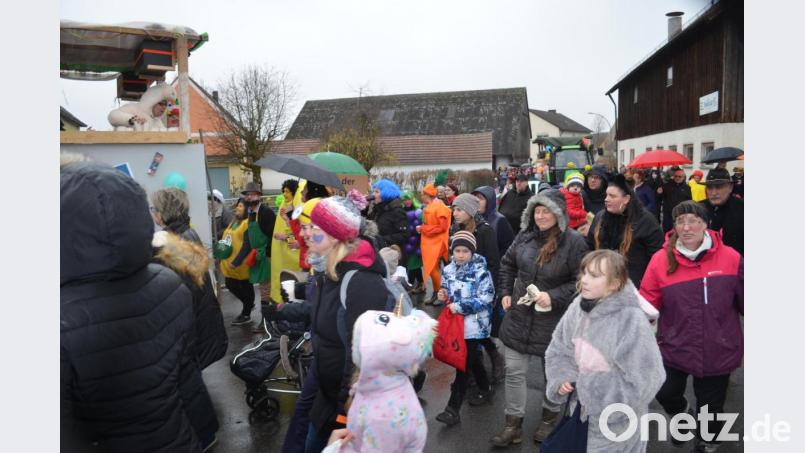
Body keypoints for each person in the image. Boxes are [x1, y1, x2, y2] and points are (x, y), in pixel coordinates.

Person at [61, 160, 211, 452]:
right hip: (177, 440)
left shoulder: (62, 318)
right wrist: (204, 433)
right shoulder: (169, 284)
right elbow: (187, 382)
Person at [640, 201, 743, 452]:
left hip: (719, 349)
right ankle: (683, 416)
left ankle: (708, 443)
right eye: (680, 221)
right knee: (665, 392)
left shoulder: (731, 257)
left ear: (705, 224)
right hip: (675, 345)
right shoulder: (659, 260)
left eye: (693, 221)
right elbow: (646, 305)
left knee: (711, 410)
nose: (686, 227)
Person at [491, 189, 588, 447]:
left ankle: (548, 419)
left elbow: (582, 281)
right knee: (514, 372)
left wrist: (552, 296)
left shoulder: (575, 242)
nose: (541, 216)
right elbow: (507, 265)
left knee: (552, 374)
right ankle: (512, 425)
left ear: (559, 214)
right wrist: (505, 292)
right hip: (519, 316)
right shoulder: (524, 236)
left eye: (547, 211)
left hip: (553, 322)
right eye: (537, 211)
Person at [545, 250, 666, 452]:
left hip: (616, 427)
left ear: (615, 283)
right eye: (584, 272)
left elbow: (648, 377)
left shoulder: (631, 319)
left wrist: (599, 399)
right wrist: (562, 377)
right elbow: (560, 348)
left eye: (594, 276)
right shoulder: (579, 306)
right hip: (579, 414)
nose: (584, 280)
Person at [303, 195, 391, 452]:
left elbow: (364, 356)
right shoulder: (329, 272)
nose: (305, 234)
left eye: (313, 228)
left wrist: (346, 409)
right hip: (327, 397)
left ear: (334, 236)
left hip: (349, 405)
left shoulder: (361, 283)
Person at [434, 231, 496, 426]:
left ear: (472, 252)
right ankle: (485, 387)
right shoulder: (448, 269)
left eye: (465, 251)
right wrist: (443, 295)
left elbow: (486, 297)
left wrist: (460, 306)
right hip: (456, 324)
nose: (460, 255)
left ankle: (452, 410)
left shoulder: (481, 271)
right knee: (472, 358)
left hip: (475, 324)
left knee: (463, 365)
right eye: (457, 251)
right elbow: (446, 289)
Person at [449, 193, 505, 384]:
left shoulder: (484, 230)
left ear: (470, 211)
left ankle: (487, 362)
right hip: (461, 289)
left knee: (476, 329)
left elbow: (493, 262)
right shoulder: (457, 228)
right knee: (469, 331)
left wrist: (492, 291)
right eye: (454, 209)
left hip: (480, 289)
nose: (455, 213)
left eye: (459, 209)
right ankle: (476, 367)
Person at [587, 174, 664, 288]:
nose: (606, 199)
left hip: (634, 285)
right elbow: (590, 247)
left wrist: (646, 283)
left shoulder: (646, 221)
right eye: (606, 195)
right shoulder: (600, 217)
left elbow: (657, 257)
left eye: (612, 196)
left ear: (626, 199)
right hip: (603, 283)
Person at [219, 198, 257, 325]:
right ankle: (249, 304)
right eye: (237, 206)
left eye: (240, 206)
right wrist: (219, 253)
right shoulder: (234, 222)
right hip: (231, 262)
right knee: (230, 284)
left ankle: (246, 313)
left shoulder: (247, 223)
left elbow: (247, 245)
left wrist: (237, 261)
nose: (237, 208)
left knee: (246, 286)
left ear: (247, 209)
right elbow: (227, 238)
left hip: (241, 263)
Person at [241, 181, 276, 308]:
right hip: (256, 255)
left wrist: (267, 254)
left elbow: (273, 235)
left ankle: (267, 316)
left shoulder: (266, 212)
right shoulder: (250, 212)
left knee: (267, 287)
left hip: (266, 255)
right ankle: (267, 314)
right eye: (247, 195)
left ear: (259, 196)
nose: (249, 197)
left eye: (252, 194)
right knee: (263, 286)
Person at [417, 183, 452, 305]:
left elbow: (442, 227)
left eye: (422, 194)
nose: (421, 196)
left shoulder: (440, 207)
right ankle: (436, 293)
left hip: (436, 242)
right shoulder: (431, 206)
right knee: (432, 268)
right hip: (430, 242)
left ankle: (439, 294)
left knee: (433, 268)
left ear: (427, 195)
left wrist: (423, 228)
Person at [270, 179, 303, 304]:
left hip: (292, 256)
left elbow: (298, 235)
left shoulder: (297, 209)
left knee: (291, 284)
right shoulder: (283, 206)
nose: (285, 194)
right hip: (281, 254)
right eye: (283, 191)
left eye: (288, 191)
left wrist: (284, 237)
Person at [701, 168, 744, 255]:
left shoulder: (742, 209)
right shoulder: (698, 208)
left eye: (719, 187)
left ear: (730, 187)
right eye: (709, 187)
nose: (713, 193)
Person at [107, 82, 176, 131]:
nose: (164, 107)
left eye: (166, 104)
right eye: (161, 104)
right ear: (152, 101)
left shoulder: (157, 122)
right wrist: (132, 119)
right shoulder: (134, 108)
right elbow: (112, 116)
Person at [368, 179, 410, 251]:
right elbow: (367, 224)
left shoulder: (397, 211)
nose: (373, 194)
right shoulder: (378, 209)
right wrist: (364, 208)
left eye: (377, 192)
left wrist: (381, 240)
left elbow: (404, 235)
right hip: (376, 250)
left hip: (390, 252)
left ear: (386, 193)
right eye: (374, 191)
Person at [401, 190, 425, 294]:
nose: (407, 201)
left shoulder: (418, 210)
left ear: (412, 199)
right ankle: (421, 283)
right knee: (413, 264)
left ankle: (410, 286)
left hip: (417, 241)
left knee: (413, 264)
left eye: (409, 199)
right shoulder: (400, 211)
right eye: (405, 199)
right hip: (406, 240)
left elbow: (424, 223)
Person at [657, 166, 692, 232]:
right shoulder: (667, 186)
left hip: (681, 214)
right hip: (668, 215)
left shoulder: (687, 188)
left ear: (683, 177)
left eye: (679, 176)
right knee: (667, 231)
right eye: (676, 176)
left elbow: (689, 201)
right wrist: (659, 193)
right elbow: (659, 199)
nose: (677, 178)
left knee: (680, 231)